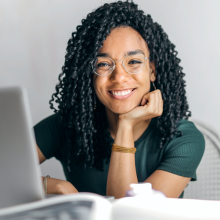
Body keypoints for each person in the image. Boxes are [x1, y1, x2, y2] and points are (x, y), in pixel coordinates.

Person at [34, 0, 205, 199]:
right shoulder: (67, 125)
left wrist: (126, 124)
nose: (119, 77)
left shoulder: (182, 138)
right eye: (104, 64)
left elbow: (130, 214)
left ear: (152, 70)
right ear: (89, 74)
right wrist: (57, 186)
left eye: (133, 62)